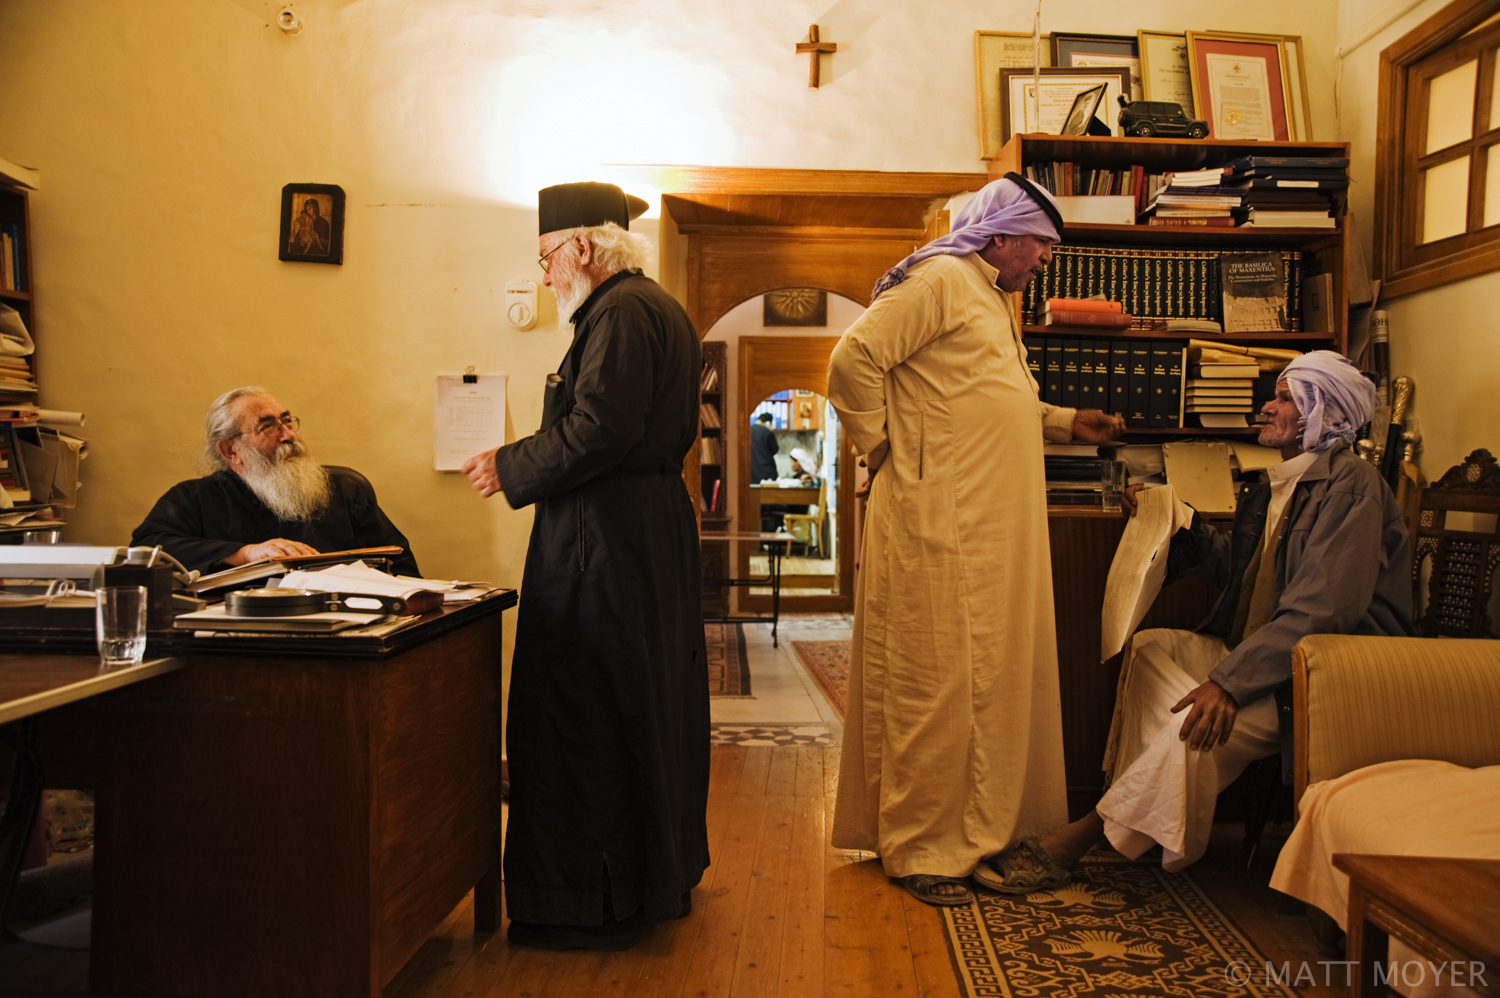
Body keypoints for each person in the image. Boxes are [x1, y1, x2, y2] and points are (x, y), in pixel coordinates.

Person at [981, 351, 1413, 893]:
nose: (1267, 406)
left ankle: (1086, 834)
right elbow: (1242, 571)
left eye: (1283, 398)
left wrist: (1229, 685)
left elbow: (1321, 610)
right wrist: (1173, 522)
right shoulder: (1276, 485)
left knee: (1193, 724)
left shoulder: (1352, 487)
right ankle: (1150, 814)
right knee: (1152, 648)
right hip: (1271, 657)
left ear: (1320, 410)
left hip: (1326, 677)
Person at [825, 174, 1125, 907]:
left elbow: (978, 391)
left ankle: (981, 834)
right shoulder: (940, 281)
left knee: (986, 679)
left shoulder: (988, 294)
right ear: (1001, 236)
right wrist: (889, 450)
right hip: (937, 519)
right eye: (1041, 248)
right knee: (939, 684)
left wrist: (1060, 422)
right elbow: (850, 364)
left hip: (989, 525)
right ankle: (920, 846)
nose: (1045, 263)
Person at [459, 181, 708, 951]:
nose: (541, 276)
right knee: (640, 702)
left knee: (586, 707)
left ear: (583, 247)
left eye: (544, 256)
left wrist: (511, 464)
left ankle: (593, 900)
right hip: (636, 533)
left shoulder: (623, 312)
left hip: (607, 543)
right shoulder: (641, 307)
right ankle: (648, 879)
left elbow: (601, 425)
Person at [132, 387, 418, 575]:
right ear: (230, 450)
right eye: (268, 427)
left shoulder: (345, 489)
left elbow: (401, 564)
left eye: (287, 421)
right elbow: (146, 549)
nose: (288, 435)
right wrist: (245, 553)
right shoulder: (193, 499)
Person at [750, 411, 779, 483]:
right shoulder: (767, 432)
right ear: (768, 422)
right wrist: (771, 431)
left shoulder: (747, 430)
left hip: (752, 473)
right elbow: (775, 450)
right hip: (767, 474)